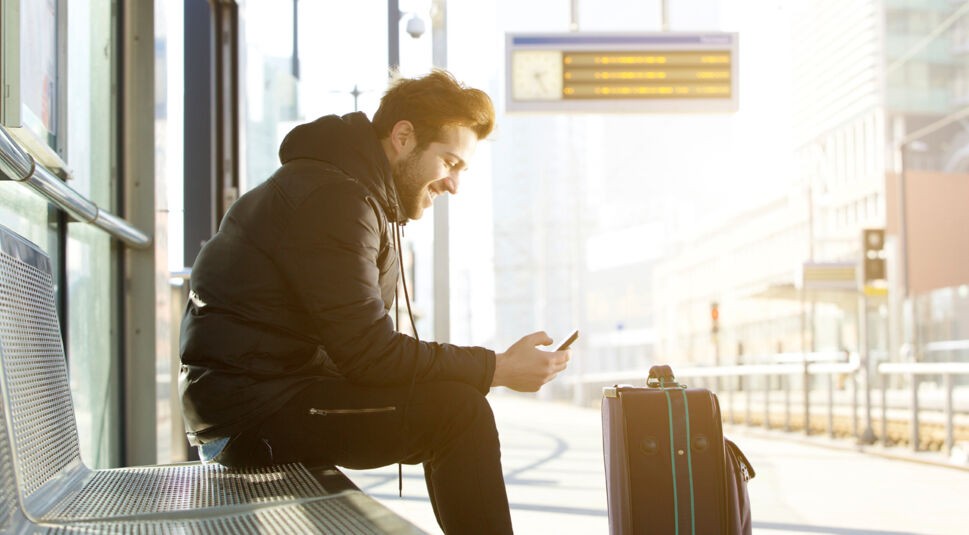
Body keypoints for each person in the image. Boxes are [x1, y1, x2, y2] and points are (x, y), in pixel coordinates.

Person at [178, 69, 571, 534]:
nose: (453, 185)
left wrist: (480, 370)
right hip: (250, 418)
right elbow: (372, 356)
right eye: (450, 162)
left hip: (257, 402)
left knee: (453, 402)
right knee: (458, 413)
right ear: (404, 137)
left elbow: (364, 350)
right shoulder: (335, 201)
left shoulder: (345, 192)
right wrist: (497, 368)